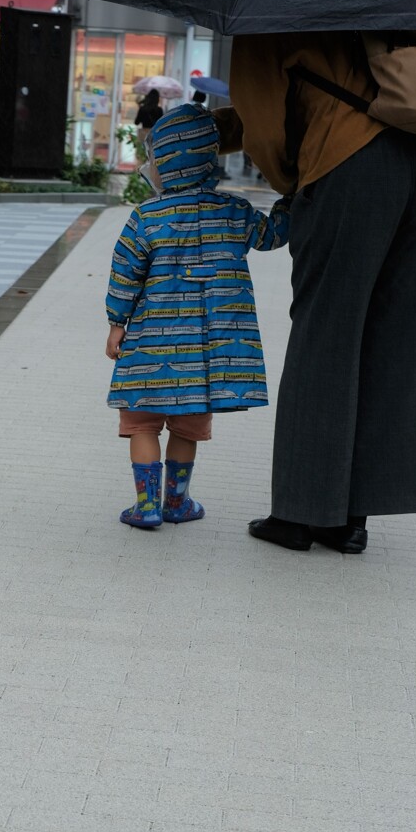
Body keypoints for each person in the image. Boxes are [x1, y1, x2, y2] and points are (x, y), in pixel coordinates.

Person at [213, 32, 416, 554]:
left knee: (327, 335)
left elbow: (265, 126)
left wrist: (294, 184)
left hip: (349, 164)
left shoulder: (280, 6)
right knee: (397, 335)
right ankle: (351, 519)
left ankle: (300, 515)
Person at [105, 104, 291, 529]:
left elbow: (125, 273)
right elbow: (273, 236)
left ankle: (146, 505)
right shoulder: (234, 211)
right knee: (187, 428)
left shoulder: (146, 217)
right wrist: (291, 202)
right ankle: (177, 502)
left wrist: (117, 323)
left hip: (150, 349)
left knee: (143, 425)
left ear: (166, 163)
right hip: (205, 354)